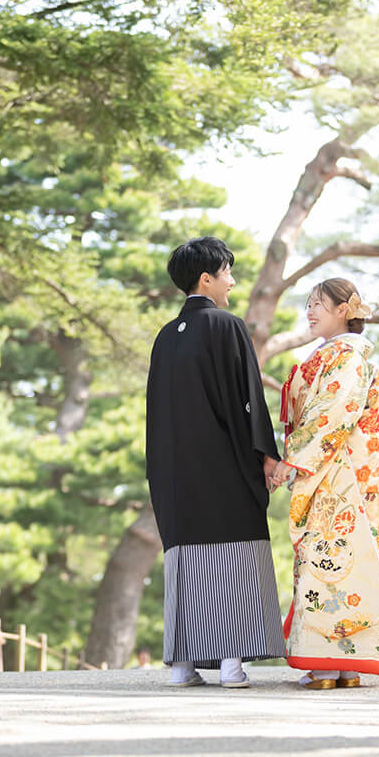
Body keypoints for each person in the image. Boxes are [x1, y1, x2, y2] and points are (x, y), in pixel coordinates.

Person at [145, 236, 286, 689]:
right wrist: (265, 454)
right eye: (227, 273)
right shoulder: (227, 326)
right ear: (206, 279)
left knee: (186, 560)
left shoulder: (165, 338)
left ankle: (183, 665)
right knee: (233, 556)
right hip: (222, 465)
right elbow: (248, 399)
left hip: (174, 471)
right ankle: (230, 663)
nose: (232, 281)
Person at [268, 278, 379, 690]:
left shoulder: (346, 357)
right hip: (354, 474)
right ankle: (347, 666)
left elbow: (331, 412)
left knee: (331, 565)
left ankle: (328, 666)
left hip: (338, 476)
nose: (310, 311)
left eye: (318, 304)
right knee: (356, 567)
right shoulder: (348, 356)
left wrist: (291, 460)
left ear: (342, 310)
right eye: (308, 304)